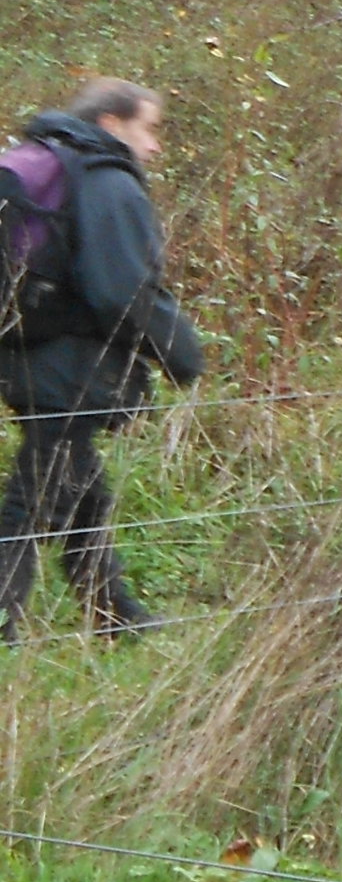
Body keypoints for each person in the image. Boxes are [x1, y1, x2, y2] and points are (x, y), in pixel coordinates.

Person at [0, 79, 204, 637]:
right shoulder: (105, 179)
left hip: (24, 350)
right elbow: (123, 290)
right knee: (35, 494)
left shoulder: (50, 165)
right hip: (71, 364)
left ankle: (115, 616)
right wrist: (183, 354)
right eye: (150, 128)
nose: (156, 146)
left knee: (79, 487)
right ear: (112, 124)